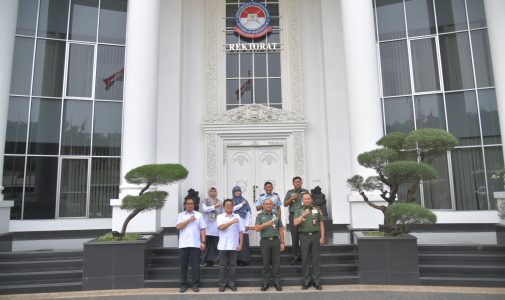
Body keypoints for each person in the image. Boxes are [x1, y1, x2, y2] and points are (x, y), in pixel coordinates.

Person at [293, 192, 325, 290]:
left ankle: (317, 282)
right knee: (305, 259)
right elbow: (295, 223)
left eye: (308, 198)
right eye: (305, 199)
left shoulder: (317, 209)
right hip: (304, 236)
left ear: (311, 200)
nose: (307, 200)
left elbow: (321, 223)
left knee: (316, 259)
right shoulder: (298, 210)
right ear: (302, 200)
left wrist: (322, 237)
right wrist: (304, 215)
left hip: (315, 236)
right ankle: (306, 281)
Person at [175, 196, 207, 293]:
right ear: (185, 205)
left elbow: (203, 229)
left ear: (194, 205)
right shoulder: (180, 215)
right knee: (183, 266)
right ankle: (183, 285)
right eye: (188, 204)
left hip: (195, 244)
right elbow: (178, 227)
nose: (190, 205)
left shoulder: (199, 215)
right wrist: (189, 220)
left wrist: (203, 242)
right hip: (183, 245)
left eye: (192, 204)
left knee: (195, 266)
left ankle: (195, 284)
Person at [255, 198, 285, 291]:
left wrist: (282, 242)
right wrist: (266, 224)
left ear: (272, 205)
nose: (268, 205)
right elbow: (257, 228)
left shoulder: (276, 215)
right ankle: (265, 282)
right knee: (265, 263)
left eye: (270, 204)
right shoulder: (260, 216)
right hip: (265, 241)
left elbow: (280, 229)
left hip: (275, 241)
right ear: (263, 205)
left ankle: (277, 282)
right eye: (266, 204)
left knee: (276, 263)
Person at [217, 198, 244, 292]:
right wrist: (232, 221)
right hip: (223, 246)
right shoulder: (220, 217)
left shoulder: (237, 216)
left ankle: (232, 284)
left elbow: (241, 231)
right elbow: (221, 227)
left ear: (233, 207)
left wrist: (241, 244)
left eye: (231, 205)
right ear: (224, 207)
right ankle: (222, 284)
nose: (229, 207)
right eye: (227, 205)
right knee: (223, 266)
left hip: (234, 246)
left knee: (233, 266)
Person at [283, 176, 309, 264]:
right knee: (294, 237)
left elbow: (310, 202)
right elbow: (285, 204)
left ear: (301, 183)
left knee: (304, 236)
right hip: (293, 216)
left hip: (304, 215)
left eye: (299, 182)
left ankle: (304, 256)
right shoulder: (290, 192)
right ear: (293, 183)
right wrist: (291, 198)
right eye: (296, 182)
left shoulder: (305, 192)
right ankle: (295, 256)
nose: (297, 183)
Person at [200, 187, 222, 267]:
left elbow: (222, 213)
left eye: (214, 191)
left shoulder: (220, 201)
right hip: (207, 225)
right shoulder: (205, 201)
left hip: (216, 226)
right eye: (211, 191)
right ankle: (204, 261)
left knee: (216, 244)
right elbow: (205, 209)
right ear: (208, 192)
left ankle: (217, 261)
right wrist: (215, 206)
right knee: (206, 245)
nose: (213, 192)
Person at [231, 186, 253, 265]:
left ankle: (244, 260)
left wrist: (247, 224)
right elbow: (231, 209)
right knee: (235, 242)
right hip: (234, 223)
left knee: (244, 242)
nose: (237, 192)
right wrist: (241, 205)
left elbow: (248, 213)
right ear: (233, 192)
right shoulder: (231, 201)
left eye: (239, 191)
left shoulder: (245, 201)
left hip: (243, 223)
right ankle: (235, 260)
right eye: (236, 191)